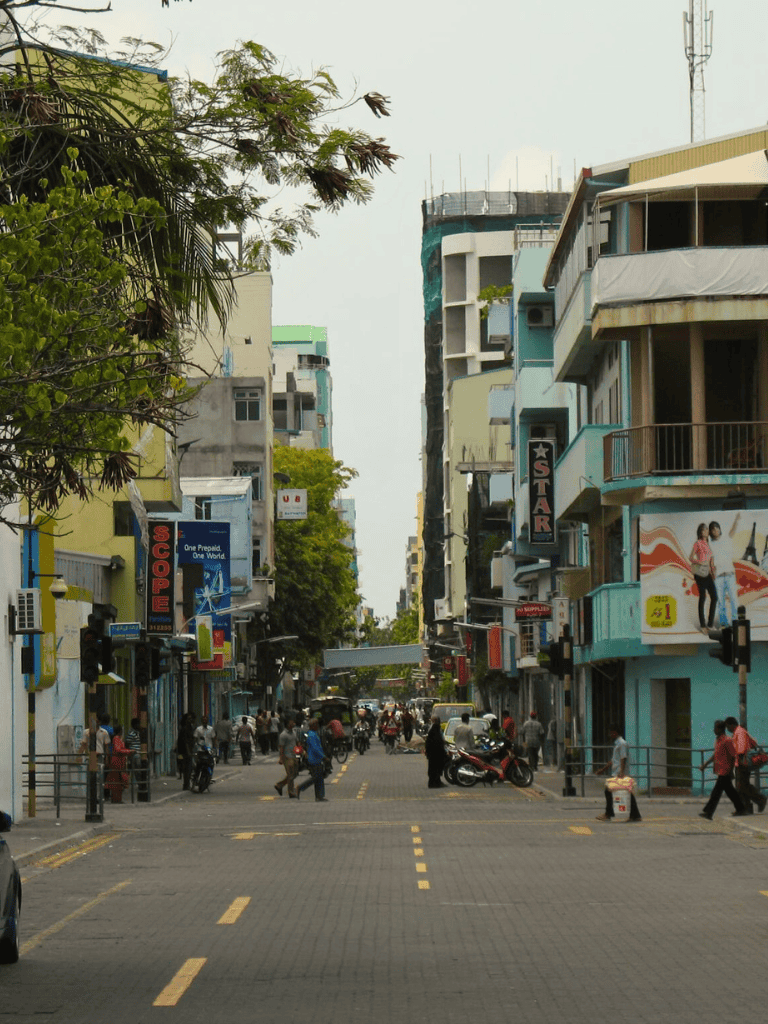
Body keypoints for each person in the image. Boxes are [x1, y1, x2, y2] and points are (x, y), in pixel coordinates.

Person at [698, 720, 744, 819]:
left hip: (725, 771)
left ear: (720, 729)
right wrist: (705, 765)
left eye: (715, 728)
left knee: (716, 792)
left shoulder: (727, 741)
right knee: (731, 792)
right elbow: (715, 755)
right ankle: (741, 808)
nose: (714, 730)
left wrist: (731, 770)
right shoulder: (718, 740)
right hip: (720, 770)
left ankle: (708, 812)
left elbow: (733, 756)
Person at [595, 725, 642, 822]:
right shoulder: (617, 744)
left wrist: (621, 772)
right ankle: (635, 815)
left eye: (611, 732)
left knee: (609, 791)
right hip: (616, 771)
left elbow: (623, 758)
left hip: (619, 772)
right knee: (627, 793)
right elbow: (613, 760)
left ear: (615, 732)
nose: (609, 734)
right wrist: (603, 769)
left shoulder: (622, 743)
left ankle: (608, 814)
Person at [724, 716, 767, 814]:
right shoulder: (739, 732)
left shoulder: (740, 732)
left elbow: (741, 749)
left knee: (741, 786)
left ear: (731, 725)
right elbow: (752, 744)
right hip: (741, 762)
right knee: (743, 786)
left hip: (742, 763)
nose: (727, 729)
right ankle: (747, 808)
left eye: (727, 727)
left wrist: (737, 761)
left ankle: (760, 799)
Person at [709, 516, 740, 628]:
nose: (716, 530)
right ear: (711, 532)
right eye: (713, 529)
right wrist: (712, 574)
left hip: (730, 574)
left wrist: (736, 520)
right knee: (721, 602)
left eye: (717, 528)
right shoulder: (710, 544)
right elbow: (711, 560)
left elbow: (733, 530)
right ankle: (723, 623)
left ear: (720, 529)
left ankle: (735, 621)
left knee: (734, 600)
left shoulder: (726, 538)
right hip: (718, 577)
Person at [689, 522, 718, 632]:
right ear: (701, 532)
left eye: (707, 529)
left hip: (708, 573)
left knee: (714, 597)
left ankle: (710, 624)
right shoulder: (698, 543)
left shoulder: (708, 544)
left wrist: (713, 571)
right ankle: (702, 625)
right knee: (703, 597)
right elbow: (691, 557)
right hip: (700, 573)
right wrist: (699, 561)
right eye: (704, 529)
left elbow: (711, 560)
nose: (706, 531)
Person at [296, 719, 328, 802]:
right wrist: (323, 756)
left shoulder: (313, 734)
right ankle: (300, 787)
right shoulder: (312, 735)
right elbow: (315, 748)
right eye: (316, 724)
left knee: (319, 778)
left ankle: (319, 796)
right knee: (315, 778)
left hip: (317, 759)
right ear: (313, 725)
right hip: (314, 759)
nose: (317, 726)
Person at [105, 723, 131, 803]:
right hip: (117, 762)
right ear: (120, 731)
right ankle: (116, 798)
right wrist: (128, 751)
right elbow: (118, 750)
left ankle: (117, 798)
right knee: (117, 780)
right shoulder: (116, 739)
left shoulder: (118, 738)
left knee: (118, 780)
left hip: (119, 761)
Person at [274, 716, 299, 798]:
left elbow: (296, 744)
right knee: (290, 775)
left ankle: (280, 785)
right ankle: (291, 792)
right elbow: (281, 747)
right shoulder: (283, 735)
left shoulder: (294, 732)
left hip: (294, 755)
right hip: (287, 757)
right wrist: (281, 758)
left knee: (294, 774)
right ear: (288, 724)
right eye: (292, 722)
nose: (293, 723)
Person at [424, 714, 447, 788]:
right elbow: (438, 742)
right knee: (436, 768)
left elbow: (428, 742)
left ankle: (436, 782)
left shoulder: (432, 729)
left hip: (432, 753)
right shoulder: (435, 729)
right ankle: (435, 783)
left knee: (433, 768)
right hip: (436, 753)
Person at [177, 713, 196, 790]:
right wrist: (188, 752)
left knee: (188, 767)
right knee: (187, 768)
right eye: (188, 718)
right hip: (184, 751)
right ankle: (186, 784)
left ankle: (187, 784)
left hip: (189, 750)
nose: (190, 720)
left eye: (191, 718)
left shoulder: (190, 727)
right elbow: (185, 741)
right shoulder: (185, 728)